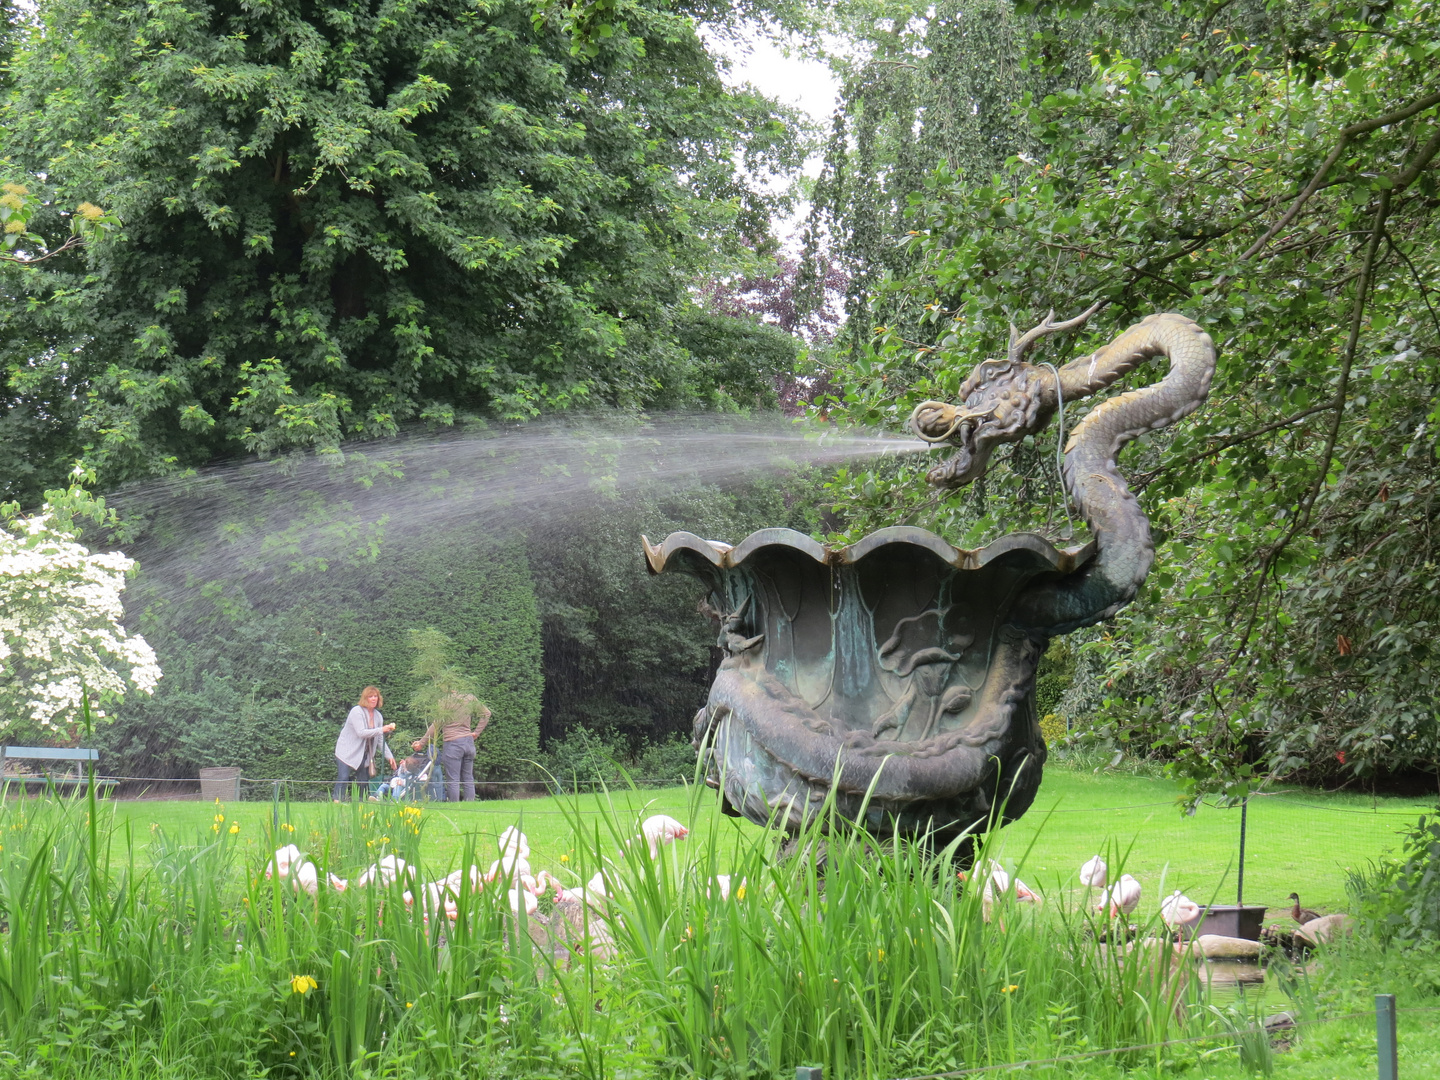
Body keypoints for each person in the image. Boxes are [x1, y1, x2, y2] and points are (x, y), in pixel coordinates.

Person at [413, 692, 490, 801]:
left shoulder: (445, 701)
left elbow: (436, 725)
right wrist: (476, 732)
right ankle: (470, 808)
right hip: (468, 742)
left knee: (453, 779)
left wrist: (421, 743)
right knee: (468, 778)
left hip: (453, 744)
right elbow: (486, 713)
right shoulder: (469, 697)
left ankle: (455, 808)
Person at [334, 686, 396, 800]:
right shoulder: (356, 711)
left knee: (363, 780)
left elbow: (380, 739)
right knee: (343, 777)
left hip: (364, 753)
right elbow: (361, 732)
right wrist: (381, 729)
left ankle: (362, 803)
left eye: (375, 696)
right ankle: (337, 801)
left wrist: (389, 756)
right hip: (346, 750)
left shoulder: (378, 716)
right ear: (365, 698)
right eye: (370, 696)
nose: (373, 699)